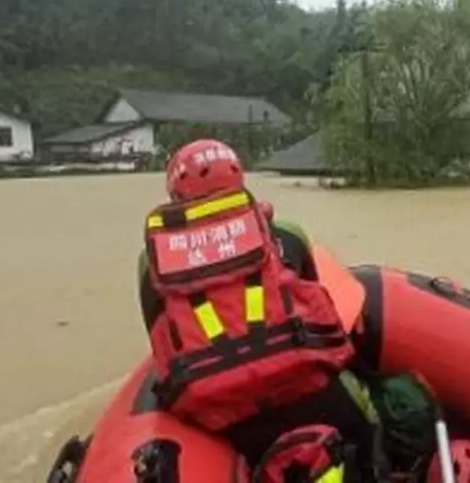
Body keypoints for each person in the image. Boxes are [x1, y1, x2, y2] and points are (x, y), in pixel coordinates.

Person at [137, 139, 383, 480]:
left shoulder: (152, 261)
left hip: (222, 415)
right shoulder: (286, 234)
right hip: (310, 390)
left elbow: (160, 335)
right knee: (368, 422)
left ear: (176, 193)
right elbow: (314, 305)